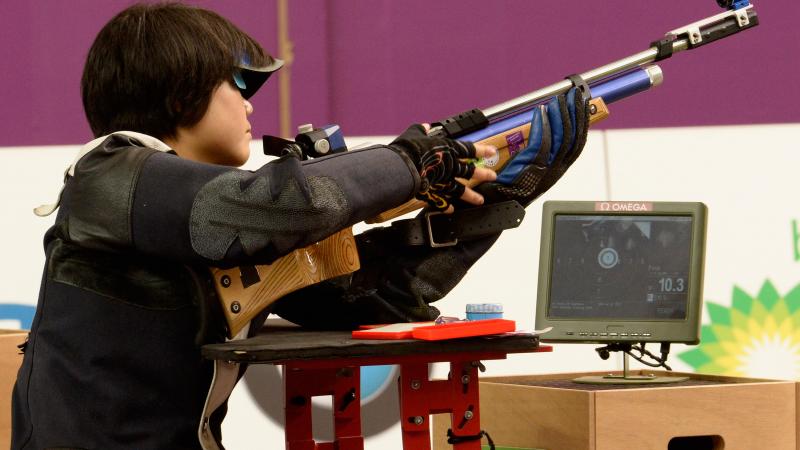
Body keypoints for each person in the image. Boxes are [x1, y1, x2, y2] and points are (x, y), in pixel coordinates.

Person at [11, 2, 589, 449]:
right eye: (238, 85)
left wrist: (492, 201)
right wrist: (414, 161)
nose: (251, 106)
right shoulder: (110, 176)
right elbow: (296, 203)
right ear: (181, 91)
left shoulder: (208, 215)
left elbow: (376, 295)